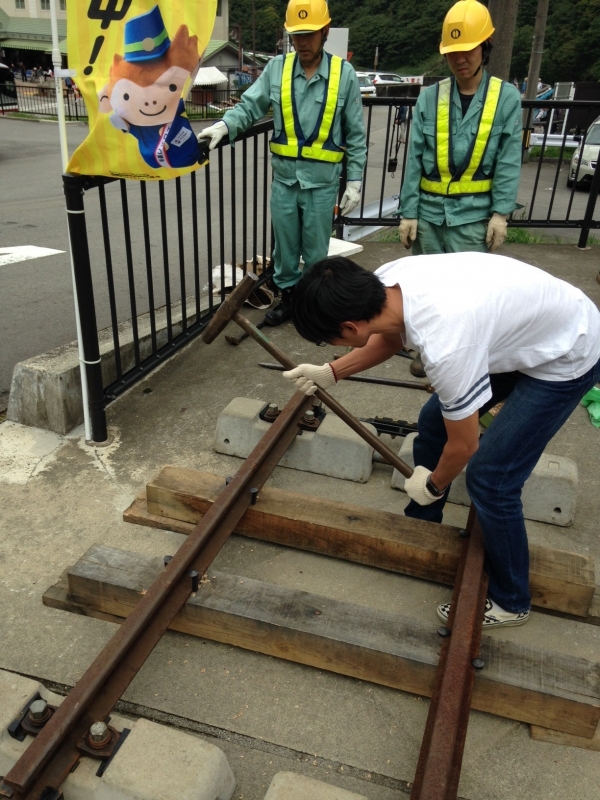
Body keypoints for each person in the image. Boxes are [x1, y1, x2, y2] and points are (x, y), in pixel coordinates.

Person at [282, 254, 600, 628]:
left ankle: (512, 600)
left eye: (327, 342)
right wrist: (331, 371)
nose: (328, 346)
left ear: (349, 326)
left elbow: (465, 447)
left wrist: (433, 483)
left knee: (491, 477)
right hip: (524, 329)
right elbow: (387, 337)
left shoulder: (447, 343)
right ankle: (422, 524)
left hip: (567, 351)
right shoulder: (386, 282)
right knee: (434, 421)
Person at [197, 0, 366, 326]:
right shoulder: (277, 69)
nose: (302, 42)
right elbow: (249, 107)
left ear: (325, 32)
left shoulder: (343, 75)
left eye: (309, 34)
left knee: (316, 251)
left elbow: (356, 135)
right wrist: (225, 126)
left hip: (322, 182)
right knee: (286, 249)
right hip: (285, 180)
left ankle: (312, 304)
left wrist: (355, 181)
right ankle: (289, 300)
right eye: (296, 35)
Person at [398, 0, 522, 377]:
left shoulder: (506, 99)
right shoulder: (430, 97)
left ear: (484, 47)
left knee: (469, 295)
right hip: (431, 214)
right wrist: (408, 211)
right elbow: (415, 158)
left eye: (467, 49)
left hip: (473, 217)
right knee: (426, 290)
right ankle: (426, 351)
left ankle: (465, 357)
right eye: (452, 52)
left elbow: (508, 160)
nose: (459, 59)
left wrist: (501, 214)